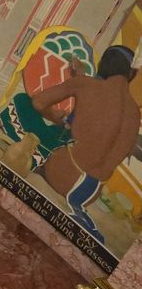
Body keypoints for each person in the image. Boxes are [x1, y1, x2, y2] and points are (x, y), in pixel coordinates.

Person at [29, 44, 142, 243]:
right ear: (130, 73)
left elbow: (38, 102)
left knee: (22, 102)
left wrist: (54, 115)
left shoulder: (86, 85)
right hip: (92, 191)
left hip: (65, 172)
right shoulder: (134, 112)